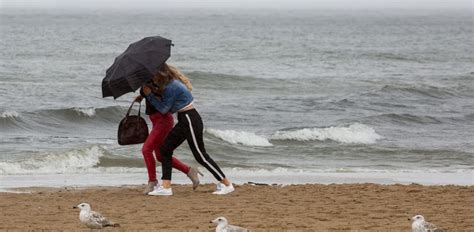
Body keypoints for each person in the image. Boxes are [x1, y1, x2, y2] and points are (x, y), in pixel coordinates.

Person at [142, 63, 234, 196]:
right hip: (184, 119)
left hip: (190, 118)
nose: (152, 79)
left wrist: (149, 95)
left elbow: (164, 109)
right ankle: (166, 187)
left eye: (153, 76)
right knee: (165, 149)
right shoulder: (171, 84)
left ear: (160, 75)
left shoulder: (171, 87)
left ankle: (227, 184)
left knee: (201, 156)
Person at [134, 77, 202, 195]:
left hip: (163, 121)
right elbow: (151, 97)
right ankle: (190, 171)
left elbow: (163, 103)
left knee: (146, 149)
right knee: (160, 156)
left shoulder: (157, 82)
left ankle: (152, 182)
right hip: (155, 121)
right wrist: (142, 96)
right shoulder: (147, 81)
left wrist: (149, 94)